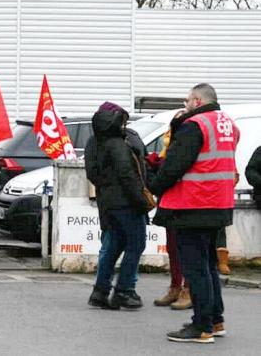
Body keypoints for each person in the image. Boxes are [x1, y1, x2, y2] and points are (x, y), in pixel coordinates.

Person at [149, 83, 238, 344]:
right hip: (218, 203)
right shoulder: (227, 123)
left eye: (188, 100)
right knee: (209, 265)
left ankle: (201, 326)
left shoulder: (195, 125)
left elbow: (174, 165)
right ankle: (215, 319)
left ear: (198, 101)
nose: (185, 105)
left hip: (193, 204)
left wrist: (153, 185)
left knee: (196, 268)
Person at [85, 101, 149, 310]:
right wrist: (141, 201)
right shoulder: (119, 144)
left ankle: (100, 290)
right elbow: (127, 175)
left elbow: (92, 174)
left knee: (113, 245)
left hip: (107, 203)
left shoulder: (93, 143)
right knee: (136, 244)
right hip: (127, 203)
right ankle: (124, 290)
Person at [148, 111, 192, 310]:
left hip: (188, 199)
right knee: (173, 246)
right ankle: (175, 286)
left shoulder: (192, 135)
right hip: (170, 198)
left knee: (189, 248)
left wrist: (157, 180)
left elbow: (177, 165)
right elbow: (168, 161)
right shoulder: (173, 135)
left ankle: (188, 289)